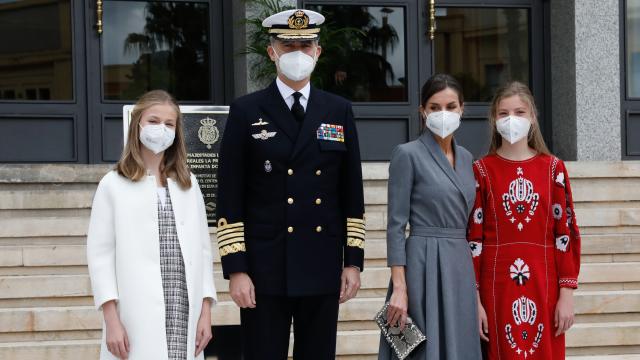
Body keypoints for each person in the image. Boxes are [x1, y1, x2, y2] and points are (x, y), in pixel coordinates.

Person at [215, 9, 366, 360]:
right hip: (265, 268)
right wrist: (236, 269)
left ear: (318, 51)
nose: (297, 52)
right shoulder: (246, 111)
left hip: (322, 262)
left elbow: (351, 193)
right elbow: (230, 196)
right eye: (288, 45)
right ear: (272, 52)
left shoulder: (338, 110)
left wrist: (352, 261)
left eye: (305, 44)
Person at [86, 90, 217, 360]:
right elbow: (100, 257)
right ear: (138, 125)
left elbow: (203, 252)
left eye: (169, 124)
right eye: (154, 121)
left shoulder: (188, 184)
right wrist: (112, 321)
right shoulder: (113, 185)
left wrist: (205, 312)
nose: (162, 130)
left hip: (184, 309)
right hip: (135, 314)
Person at [467, 81, 581, 359]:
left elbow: (565, 233)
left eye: (519, 112)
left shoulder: (553, 168)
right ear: (494, 119)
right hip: (496, 285)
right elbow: (473, 240)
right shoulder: (481, 170)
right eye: (503, 113)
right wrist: (475, 300)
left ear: (532, 117)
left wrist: (566, 294)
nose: (511, 119)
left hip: (545, 283)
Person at [379, 74, 482, 359]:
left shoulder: (467, 158)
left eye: (450, 106)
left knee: (458, 344)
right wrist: (399, 288)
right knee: (416, 349)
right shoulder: (407, 154)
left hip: (459, 264)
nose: (443, 113)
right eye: (435, 107)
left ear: (462, 108)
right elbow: (396, 226)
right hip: (421, 264)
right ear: (422, 111)